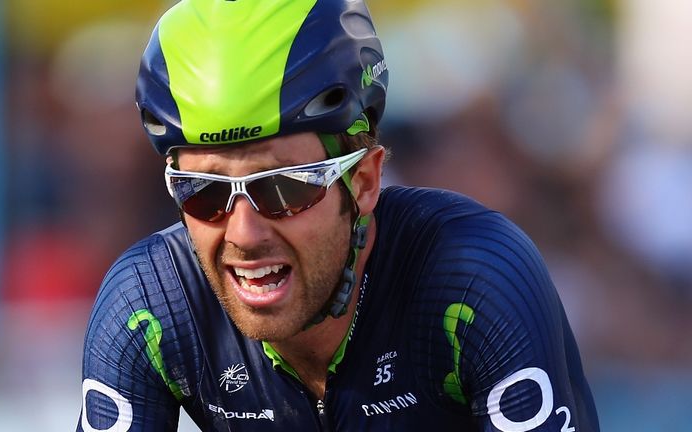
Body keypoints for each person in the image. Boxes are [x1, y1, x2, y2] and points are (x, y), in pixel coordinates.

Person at [76, 1, 599, 430]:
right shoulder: (150, 305)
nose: (244, 232)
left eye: (283, 188)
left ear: (365, 182)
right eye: (204, 193)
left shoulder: (471, 283)